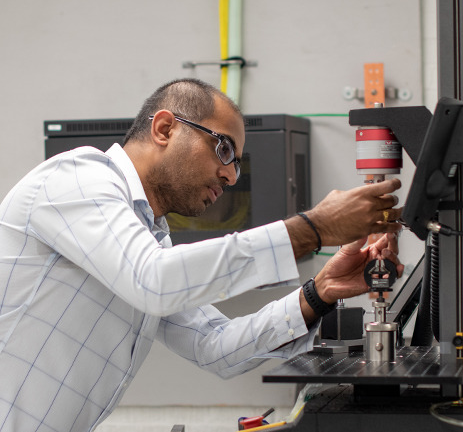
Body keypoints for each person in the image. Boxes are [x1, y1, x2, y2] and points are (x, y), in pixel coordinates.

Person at [0, 78, 403, 431]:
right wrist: (312, 229)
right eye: (223, 149)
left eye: (237, 165)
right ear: (164, 129)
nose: (229, 176)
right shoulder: (77, 178)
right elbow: (153, 281)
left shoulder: (150, 240)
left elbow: (215, 347)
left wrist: (319, 292)